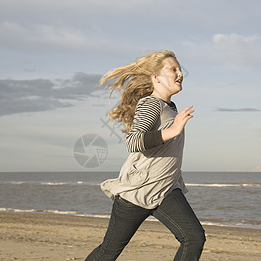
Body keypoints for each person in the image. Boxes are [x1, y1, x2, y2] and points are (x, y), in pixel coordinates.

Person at [86, 50, 205, 260]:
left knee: (194, 237)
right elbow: (132, 142)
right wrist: (172, 130)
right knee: (108, 252)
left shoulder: (170, 107)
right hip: (138, 191)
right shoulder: (152, 104)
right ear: (156, 78)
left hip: (166, 189)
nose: (180, 73)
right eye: (173, 69)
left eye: (179, 69)